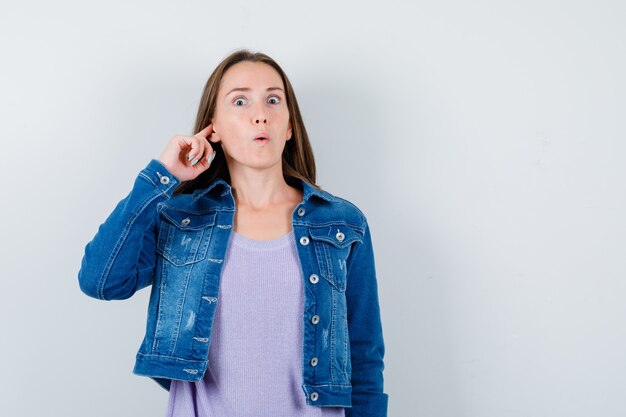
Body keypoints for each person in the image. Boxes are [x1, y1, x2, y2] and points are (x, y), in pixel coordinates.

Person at [78, 49, 388, 417]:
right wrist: (163, 176)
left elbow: (364, 357)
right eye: (240, 101)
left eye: (273, 100)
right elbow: (100, 281)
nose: (260, 114)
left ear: (289, 126)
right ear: (215, 128)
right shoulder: (181, 221)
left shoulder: (341, 224)